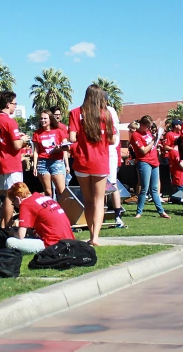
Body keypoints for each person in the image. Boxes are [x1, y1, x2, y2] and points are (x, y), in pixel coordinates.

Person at [68, 85, 114, 246]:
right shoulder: (106, 114)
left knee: (87, 200)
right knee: (99, 200)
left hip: (82, 161)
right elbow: (113, 140)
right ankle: (96, 237)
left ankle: (91, 233)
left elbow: (72, 138)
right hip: (100, 161)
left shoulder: (75, 113)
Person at [0, 91, 30, 228]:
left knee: (7, 194)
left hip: (0, 162)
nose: (15, 107)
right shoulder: (10, 122)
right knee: (12, 196)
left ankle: (3, 224)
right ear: (7, 104)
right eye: (14, 104)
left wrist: (17, 138)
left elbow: (3, 140)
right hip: (11, 163)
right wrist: (23, 140)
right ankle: (6, 225)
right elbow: (16, 145)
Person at [5, 182, 74, 253]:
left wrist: (13, 233)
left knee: (10, 242)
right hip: (69, 239)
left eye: (13, 202)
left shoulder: (25, 204)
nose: (15, 205)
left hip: (52, 244)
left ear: (18, 198)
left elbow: (20, 236)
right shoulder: (43, 197)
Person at [130, 115, 171, 219]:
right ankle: (139, 211)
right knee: (144, 188)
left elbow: (152, 146)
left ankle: (161, 211)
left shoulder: (148, 133)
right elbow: (143, 150)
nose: (149, 129)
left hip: (154, 161)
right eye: (147, 126)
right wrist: (153, 140)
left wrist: (155, 140)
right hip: (144, 162)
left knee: (154, 189)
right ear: (142, 125)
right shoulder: (136, 135)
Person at [31, 110, 67, 198]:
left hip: (56, 162)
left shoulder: (59, 131)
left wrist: (59, 149)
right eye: (41, 118)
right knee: (48, 192)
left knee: (61, 191)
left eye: (45, 118)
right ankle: (50, 211)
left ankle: (63, 210)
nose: (43, 120)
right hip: (42, 163)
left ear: (50, 119)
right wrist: (35, 166)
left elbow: (66, 147)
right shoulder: (37, 133)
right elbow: (36, 151)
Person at [104, 94, 124, 227]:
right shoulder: (91, 111)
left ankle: (117, 215)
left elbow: (114, 135)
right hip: (98, 152)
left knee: (112, 183)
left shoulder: (110, 111)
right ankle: (102, 213)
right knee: (99, 184)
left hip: (109, 151)